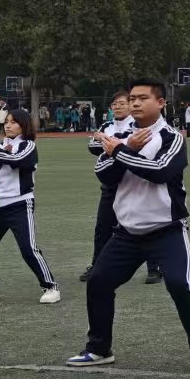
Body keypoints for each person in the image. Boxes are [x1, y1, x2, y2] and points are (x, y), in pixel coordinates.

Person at [69, 78, 190, 374]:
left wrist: (121, 152)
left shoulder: (171, 137)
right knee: (99, 282)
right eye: (132, 98)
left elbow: (160, 171)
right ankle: (99, 349)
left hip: (167, 230)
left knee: (180, 284)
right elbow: (103, 174)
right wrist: (123, 148)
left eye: (143, 98)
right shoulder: (122, 136)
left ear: (160, 103)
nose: (135, 103)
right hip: (126, 233)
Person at [0, 107, 60, 305]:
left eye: (13, 122)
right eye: (6, 122)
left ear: (23, 125)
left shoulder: (28, 145)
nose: (8, 125)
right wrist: (0, 152)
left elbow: (17, 160)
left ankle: (51, 287)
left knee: (28, 249)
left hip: (19, 204)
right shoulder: (4, 144)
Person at [79, 90, 137, 283]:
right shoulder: (107, 125)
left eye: (122, 103)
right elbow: (92, 147)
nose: (118, 107)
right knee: (103, 227)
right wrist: (115, 143)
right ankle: (97, 265)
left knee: (144, 225)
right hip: (110, 183)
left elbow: (132, 145)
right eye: (114, 104)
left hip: (133, 183)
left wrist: (105, 139)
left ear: (130, 105)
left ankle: (155, 268)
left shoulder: (137, 124)